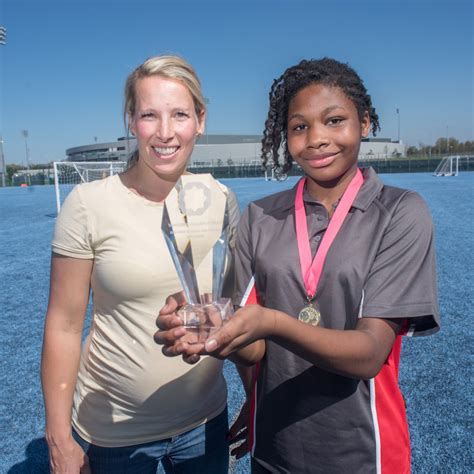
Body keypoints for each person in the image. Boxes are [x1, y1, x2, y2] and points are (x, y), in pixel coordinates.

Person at [155, 58, 440, 473]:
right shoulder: (261, 217)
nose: (317, 139)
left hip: (365, 453)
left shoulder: (399, 212)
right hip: (275, 451)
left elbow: (369, 355)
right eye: (299, 127)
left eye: (335, 120)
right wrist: (208, 328)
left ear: (364, 123)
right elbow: (253, 347)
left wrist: (272, 322)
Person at [41, 54, 243, 474]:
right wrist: (59, 438)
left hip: (205, 423)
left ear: (200, 120)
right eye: (150, 115)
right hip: (114, 434)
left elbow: (234, 309)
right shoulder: (88, 205)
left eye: (180, 114)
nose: (165, 132)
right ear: (131, 121)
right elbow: (62, 324)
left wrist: (257, 399)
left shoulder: (220, 199)